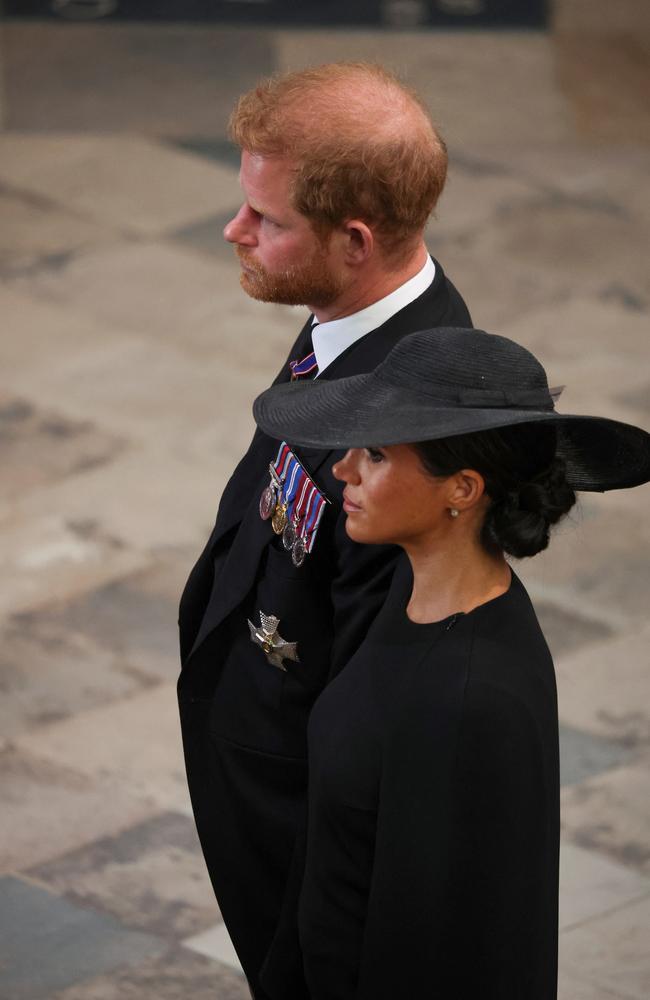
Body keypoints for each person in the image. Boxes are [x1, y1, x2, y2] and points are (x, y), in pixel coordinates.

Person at [177, 63, 472, 999]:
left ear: (355, 241)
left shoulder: (411, 432)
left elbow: (374, 702)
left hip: (299, 818)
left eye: (266, 220)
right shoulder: (353, 316)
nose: (236, 231)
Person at [253, 326, 650, 999]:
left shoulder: (469, 698)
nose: (343, 470)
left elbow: (443, 954)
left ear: (461, 489)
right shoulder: (409, 593)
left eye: (375, 454)